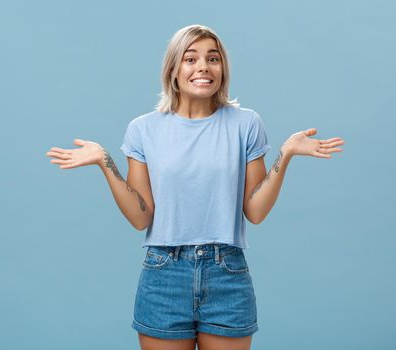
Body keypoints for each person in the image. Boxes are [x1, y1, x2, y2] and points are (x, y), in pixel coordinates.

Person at [46, 24, 345, 350]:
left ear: (223, 69)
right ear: (173, 69)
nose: (203, 66)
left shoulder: (246, 124)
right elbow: (141, 218)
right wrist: (105, 162)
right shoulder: (143, 129)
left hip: (226, 272)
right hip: (164, 274)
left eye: (213, 58)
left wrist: (285, 155)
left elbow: (255, 212)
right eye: (191, 58)